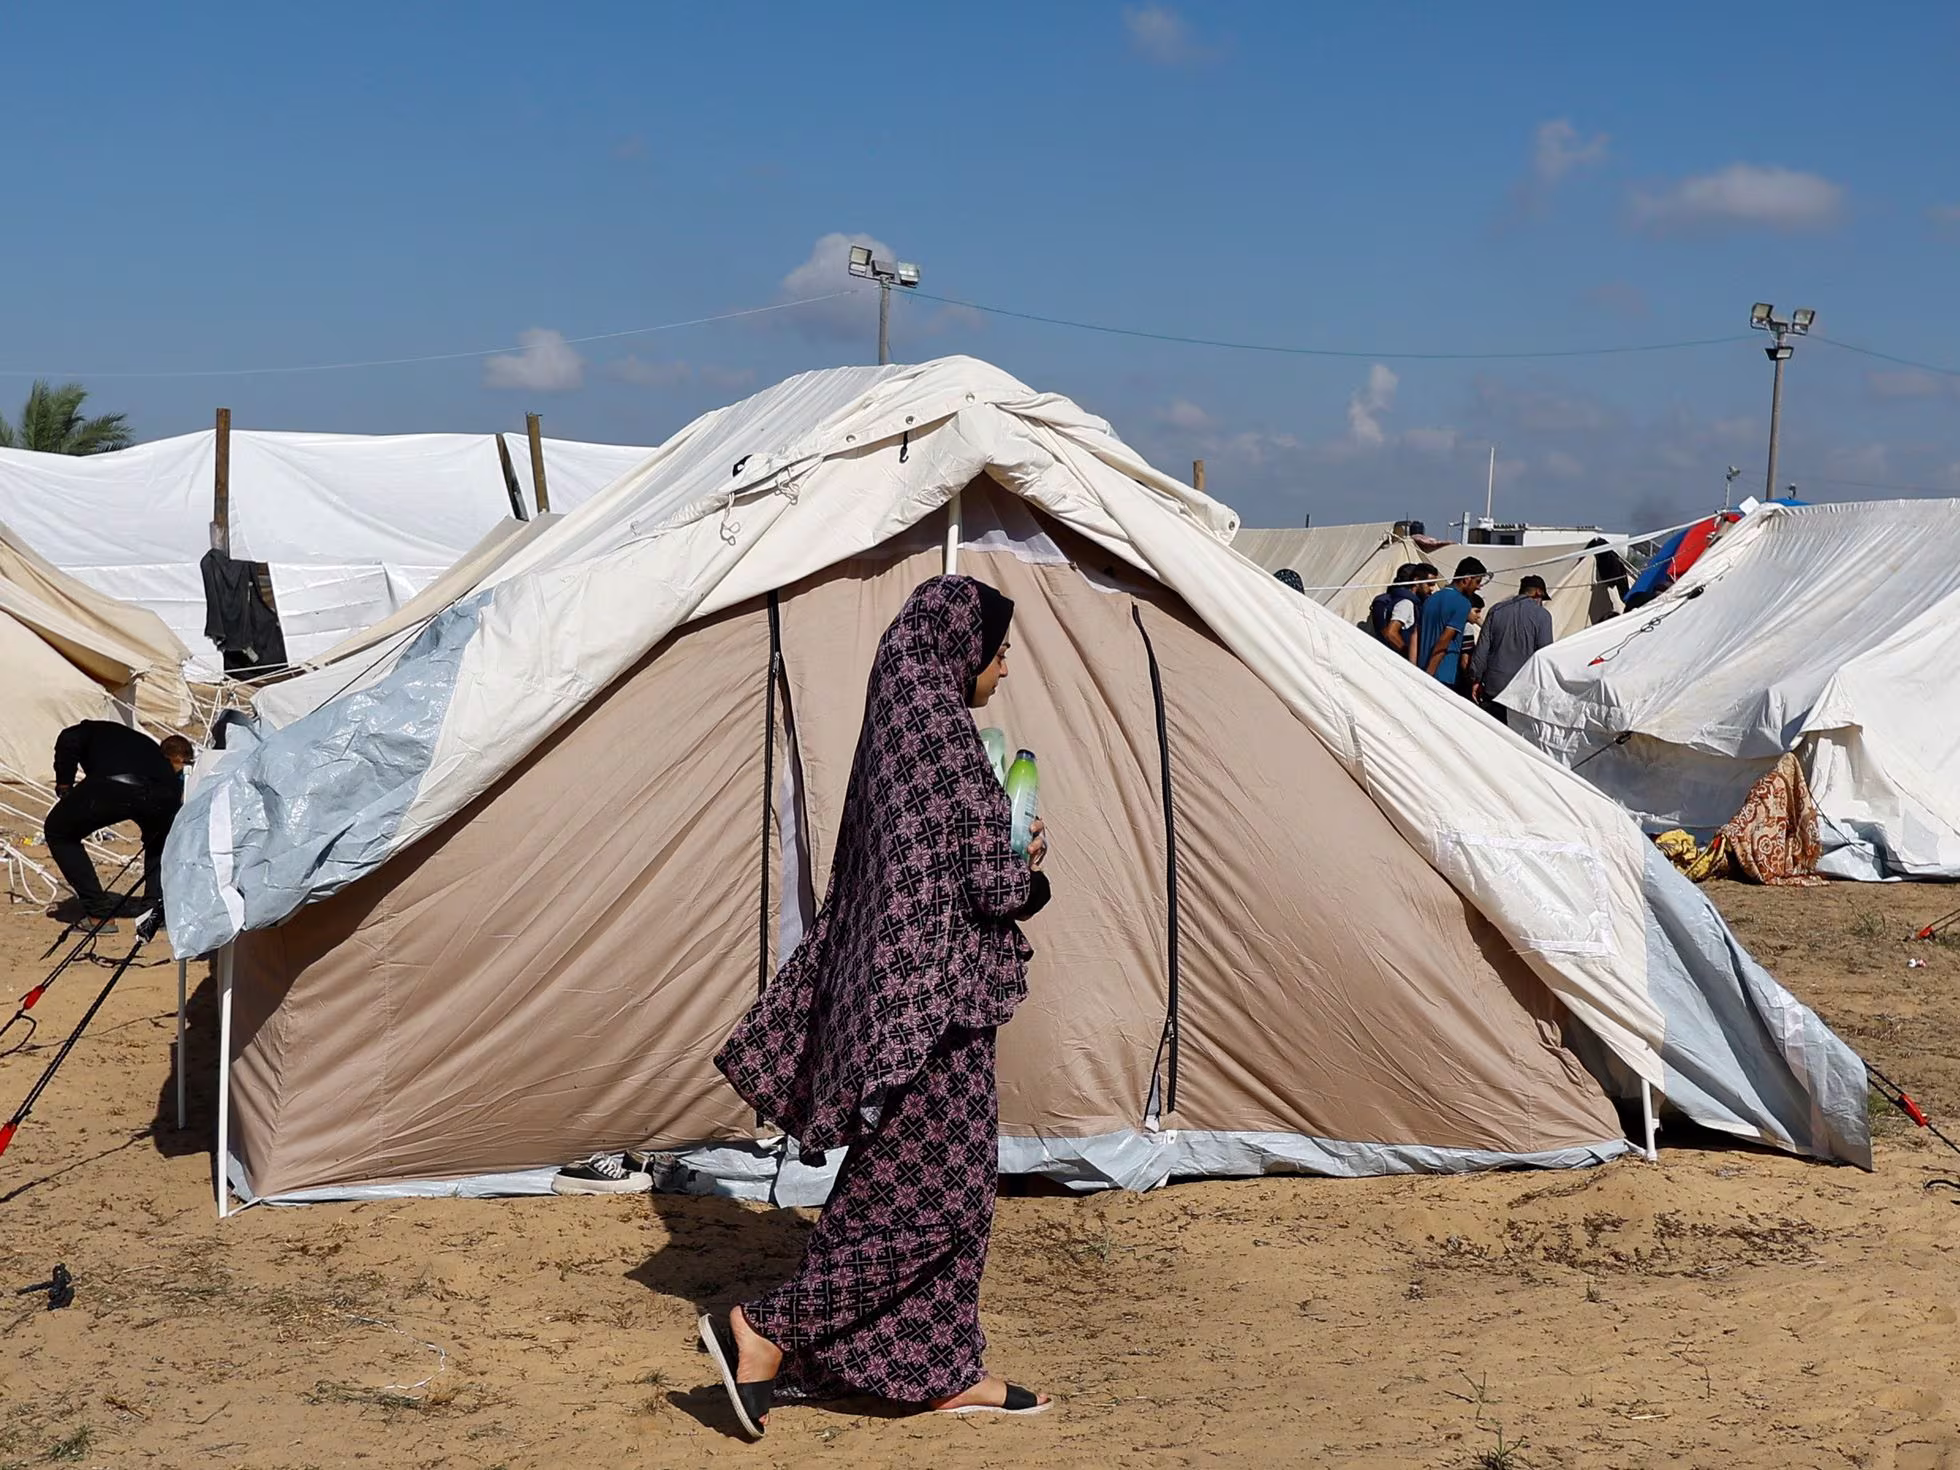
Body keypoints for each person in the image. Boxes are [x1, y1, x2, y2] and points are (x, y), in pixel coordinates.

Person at [701, 575, 1053, 1438]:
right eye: (997, 650)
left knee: (892, 1186)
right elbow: (989, 881)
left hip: (904, 998)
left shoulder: (900, 724)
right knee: (949, 1200)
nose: (1003, 669)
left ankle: (927, 1368)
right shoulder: (943, 733)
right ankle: (769, 1328)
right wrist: (1031, 862)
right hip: (936, 1006)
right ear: (961, 648)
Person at [45, 721, 194, 935]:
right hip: (163, 792)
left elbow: (68, 738)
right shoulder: (142, 743)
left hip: (115, 782)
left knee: (58, 831)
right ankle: (153, 911)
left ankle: (99, 915)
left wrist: (64, 783)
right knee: (159, 843)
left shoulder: (86, 730)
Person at [1471, 574, 1556, 724]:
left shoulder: (1496, 610)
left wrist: (1475, 678)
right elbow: (1545, 655)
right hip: (1523, 691)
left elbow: (1482, 649)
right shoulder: (1543, 616)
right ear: (1538, 593)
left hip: (1494, 687)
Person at [1416, 557, 1486, 686]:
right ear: (1467, 579)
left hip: (1421, 668)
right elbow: (1444, 641)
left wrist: (1413, 667)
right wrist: (1429, 675)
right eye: (1477, 582)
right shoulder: (1462, 603)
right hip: (1442, 673)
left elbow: (1416, 634)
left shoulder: (1431, 599)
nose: (1478, 587)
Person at [1454, 592, 1486, 698]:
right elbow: (1465, 660)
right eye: (1476, 611)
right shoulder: (1467, 628)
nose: (1478, 616)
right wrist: (1470, 680)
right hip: (1459, 678)